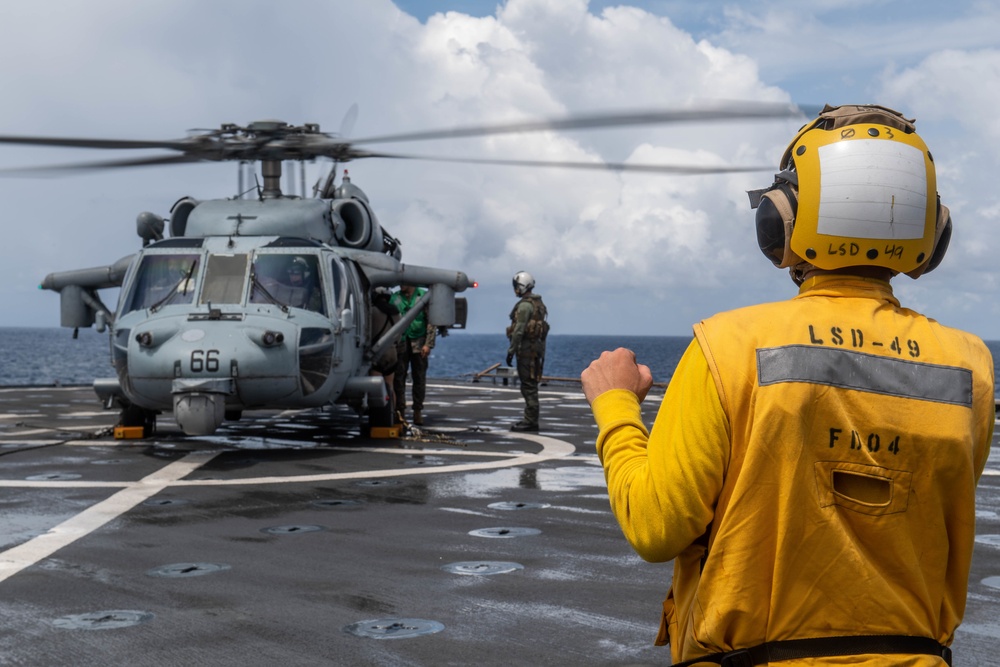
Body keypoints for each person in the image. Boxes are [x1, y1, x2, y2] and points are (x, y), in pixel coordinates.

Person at [581, 104, 994, 666]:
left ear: (782, 219)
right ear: (932, 228)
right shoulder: (969, 366)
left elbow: (656, 527)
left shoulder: (729, 345)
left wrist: (615, 406)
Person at [506, 270, 549, 432]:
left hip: (526, 350)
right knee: (531, 383)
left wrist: (511, 350)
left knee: (528, 385)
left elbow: (518, 330)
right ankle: (531, 418)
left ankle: (530, 420)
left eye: (517, 286)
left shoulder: (525, 305)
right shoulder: (538, 304)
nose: (515, 289)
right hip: (536, 349)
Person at [391, 284, 436, 425]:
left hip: (419, 343)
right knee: (398, 378)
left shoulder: (424, 296)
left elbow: (431, 321)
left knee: (419, 378)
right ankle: (400, 411)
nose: (400, 285)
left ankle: (417, 411)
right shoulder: (395, 297)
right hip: (401, 342)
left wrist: (428, 344)